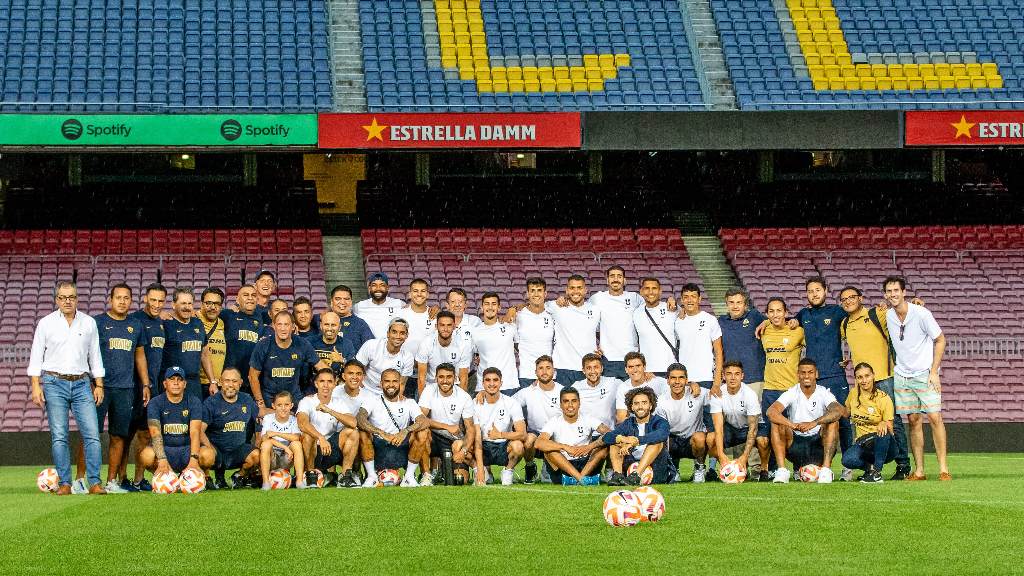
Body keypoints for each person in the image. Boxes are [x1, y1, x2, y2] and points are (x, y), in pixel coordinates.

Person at [28, 281, 107, 495]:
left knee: (92, 434)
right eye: (63, 297)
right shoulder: (45, 323)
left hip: (82, 383)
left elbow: (95, 356)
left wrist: (99, 384)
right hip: (54, 383)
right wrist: (36, 385)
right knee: (59, 435)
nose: (67, 301)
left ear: (77, 298)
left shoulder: (89, 322)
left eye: (71, 297)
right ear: (56, 300)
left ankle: (94, 482)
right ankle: (65, 483)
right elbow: (36, 355)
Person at [77, 283, 149, 494]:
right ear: (110, 299)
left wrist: (145, 383)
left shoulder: (135, 325)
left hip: (125, 389)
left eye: (126, 298)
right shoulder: (97, 322)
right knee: (90, 435)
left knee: (119, 436)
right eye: (118, 297)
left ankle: (111, 481)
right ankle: (81, 480)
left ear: (131, 301)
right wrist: (89, 380)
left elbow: (140, 355)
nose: (122, 301)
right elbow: (85, 352)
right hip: (100, 387)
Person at [838, 285, 911, 480]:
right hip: (861, 380)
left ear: (861, 298)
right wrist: (847, 360)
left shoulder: (876, 313)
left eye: (852, 297)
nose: (848, 301)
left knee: (893, 423)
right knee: (859, 421)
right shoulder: (844, 324)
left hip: (884, 377)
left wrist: (913, 305)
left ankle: (903, 465)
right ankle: (871, 467)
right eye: (844, 299)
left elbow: (901, 317)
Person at [884, 276, 949, 481]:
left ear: (904, 292)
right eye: (889, 291)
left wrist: (933, 371)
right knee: (913, 420)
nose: (893, 294)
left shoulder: (921, 313)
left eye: (896, 290)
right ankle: (919, 470)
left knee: (934, 417)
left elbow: (940, 340)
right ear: (885, 295)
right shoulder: (888, 315)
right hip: (902, 375)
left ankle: (943, 469)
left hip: (924, 373)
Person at [793, 276, 854, 477]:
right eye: (810, 291)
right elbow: (787, 322)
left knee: (843, 420)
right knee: (803, 420)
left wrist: (852, 354)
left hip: (834, 375)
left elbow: (857, 322)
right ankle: (800, 466)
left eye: (818, 290)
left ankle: (848, 466)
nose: (814, 294)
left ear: (826, 291)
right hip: (812, 379)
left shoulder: (836, 312)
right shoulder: (803, 314)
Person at [767, 359, 844, 484]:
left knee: (833, 422)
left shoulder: (823, 392)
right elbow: (771, 412)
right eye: (803, 373)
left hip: (818, 446)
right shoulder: (792, 392)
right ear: (798, 375)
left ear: (816, 374)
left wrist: (814, 423)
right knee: (777, 422)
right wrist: (792, 425)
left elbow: (838, 411)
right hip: (796, 445)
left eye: (810, 372)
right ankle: (782, 470)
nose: (806, 376)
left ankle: (825, 470)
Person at [717, 288, 767, 475]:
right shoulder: (721, 322)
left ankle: (756, 467)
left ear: (745, 304)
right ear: (726, 304)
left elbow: (774, 320)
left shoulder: (754, 316)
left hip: (755, 378)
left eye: (739, 302)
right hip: (731, 379)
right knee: (735, 422)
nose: (735, 306)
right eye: (731, 302)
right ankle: (740, 466)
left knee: (753, 423)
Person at [124, 282, 168, 491]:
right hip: (133, 387)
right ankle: (119, 477)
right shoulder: (134, 321)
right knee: (125, 434)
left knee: (144, 435)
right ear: (145, 299)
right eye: (153, 300)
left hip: (152, 388)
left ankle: (138, 479)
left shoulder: (161, 323)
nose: (157, 304)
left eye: (161, 301)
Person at [356, 369, 431, 487]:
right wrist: (380, 432)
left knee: (422, 432)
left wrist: (405, 431)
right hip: (378, 447)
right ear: (381, 384)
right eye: (387, 381)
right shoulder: (371, 400)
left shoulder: (409, 402)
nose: (391, 385)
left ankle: (409, 477)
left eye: (395, 381)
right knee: (362, 432)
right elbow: (360, 419)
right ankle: (372, 477)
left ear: (400, 383)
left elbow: (424, 421)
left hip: (401, 445)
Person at [140, 366, 215, 479]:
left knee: (209, 455)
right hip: (166, 448)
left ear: (184, 384)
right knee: (146, 455)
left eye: (179, 380)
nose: (176, 383)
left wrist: (194, 459)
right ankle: (164, 476)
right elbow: (155, 433)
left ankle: (195, 474)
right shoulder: (155, 403)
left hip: (187, 449)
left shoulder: (194, 401)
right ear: (165, 384)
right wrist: (162, 459)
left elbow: (195, 432)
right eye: (172, 379)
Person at [759, 296, 805, 478]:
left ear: (786, 313)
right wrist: (764, 322)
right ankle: (773, 469)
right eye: (771, 311)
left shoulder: (798, 331)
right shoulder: (764, 330)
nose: (775, 314)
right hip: (770, 389)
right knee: (772, 432)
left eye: (779, 310)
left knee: (792, 431)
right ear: (767, 314)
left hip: (791, 390)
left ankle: (796, 467)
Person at [674, 283, 723, 444]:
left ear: (699, 299)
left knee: (711, 425)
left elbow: (719, 352)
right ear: (681, 299)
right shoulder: (677, 320)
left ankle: (712, 467)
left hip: (707, 379)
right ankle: (695, 464)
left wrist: (716, 382)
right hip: (685, 381)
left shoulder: (710, 320)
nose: (689, 300)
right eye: (686, 297)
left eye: (693, 296)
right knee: (688, 425)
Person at [249, 311, 327, 412]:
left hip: (294, 398)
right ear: (274, 326)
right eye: (279, 324)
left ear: (293, 327)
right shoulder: (263, 345)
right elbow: (252, 376)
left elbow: (321, 367)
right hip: (270, 399)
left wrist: (334, 383)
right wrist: (261, 404)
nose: (283, 328)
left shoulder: (302, 344)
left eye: (286, 324)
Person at [297, 368, 359, 487]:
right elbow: (302, 423)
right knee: (307, 436)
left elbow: (353, 423)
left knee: (353, 432)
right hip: (312, 450)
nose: (326, 385)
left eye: (330, 381)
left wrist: (329, 410)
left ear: (335, 383)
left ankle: (345, 476)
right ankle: (310, 476)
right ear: (316, 384)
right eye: (322, 381)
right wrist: (320, 437)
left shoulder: (339, 402)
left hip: (330, 449)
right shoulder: (307, 401)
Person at [535, 387, 610, 485]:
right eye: (566, 401)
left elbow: (610, 434)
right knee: (549, 451)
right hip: (564, 467)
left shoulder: (589, 419)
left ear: (579, 403)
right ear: (561, 405)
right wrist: (565, 447)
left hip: (587, 465)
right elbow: (538, 443)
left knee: (603, 447)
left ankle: (580, 478)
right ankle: (582, 480)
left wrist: (590, 446)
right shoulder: (554, 421)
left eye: (574, 401)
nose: (570, 405)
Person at [200, 367, 260, 489]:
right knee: (206, 455)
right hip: (217, 451)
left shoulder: (247, 400)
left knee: (258, 455)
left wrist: (283, 412)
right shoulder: (210, 403)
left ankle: (238, 476)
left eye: (234, 381)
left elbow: (260, 416)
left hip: (238, 451)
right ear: (220, 382)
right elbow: (199, 431)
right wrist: (210, 448)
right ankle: (211, 478)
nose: (230, 385)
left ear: (240, 383)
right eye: (227, 381)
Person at [419, 363, 476, 485]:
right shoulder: (428, 390)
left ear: (455, 378)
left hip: (453, 441)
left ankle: (444, 469)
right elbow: (421, 420)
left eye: (449, 377)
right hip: (433, 437)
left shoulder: (464, 397)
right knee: (421, 432)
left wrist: (463, 451)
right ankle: (426, 474)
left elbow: (470, 429)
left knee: (461, 480)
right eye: (441, 377)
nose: (445, 381)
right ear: (436, 378)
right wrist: (446, 426)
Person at [840, 363, 898, 483]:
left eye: (867, 376)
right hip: (863, 443)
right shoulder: (853, 394)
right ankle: (870, 470)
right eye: (860, 377)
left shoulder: (883, 398)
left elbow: (891, 430)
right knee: (847, 460)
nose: (864, 380)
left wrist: (884, 423)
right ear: (856, 379)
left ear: (873, 376)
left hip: (885, 445)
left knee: (884, 430)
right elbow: (845, 413)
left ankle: (876, 473)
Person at [708, 361, 764, 479]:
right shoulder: (718, 394)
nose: (733, 378)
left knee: (763, 440)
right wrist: (721, 454)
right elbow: (718, 429)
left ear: (742, 376)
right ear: (723, 376)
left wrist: (744, 457)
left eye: (737, 374)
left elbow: (753, 429)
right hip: (731, 429)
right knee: (710, 438)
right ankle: (727, 466)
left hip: (747, 428)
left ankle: (763, 470)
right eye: (729, 374)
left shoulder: (750, 394)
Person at [604, 386, 671, 486]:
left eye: (644, 403)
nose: (640, 407)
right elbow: (607, 437)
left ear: (651, 406)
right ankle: (617, 476)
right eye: (636, 403)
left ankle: (636, 476)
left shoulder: (660, 421)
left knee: (657, 442)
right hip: (631, 465)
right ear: (631, 407)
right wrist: (623, 440)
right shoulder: (628, 423)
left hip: (656, 468)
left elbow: (662, 434)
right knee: (615, 443)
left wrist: (636, 441)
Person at [512, 355, 564, 483]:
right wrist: (483, 393)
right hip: (535, 434)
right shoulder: (528, 391)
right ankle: (530, 467)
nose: (544, 371)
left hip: (556, 436)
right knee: (528, 439)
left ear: (554, 371)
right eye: (540, 368)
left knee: (550, 481)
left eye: (548, 368)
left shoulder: (562, 390)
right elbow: (507, 403)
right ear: (535, 372)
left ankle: (550, 467)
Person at [472, 367, 527, 486]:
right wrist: (480, 468)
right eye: (488, 380)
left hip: (503, 446)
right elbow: (476, 438)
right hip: (483, 446)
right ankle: (483, 472)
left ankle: (508, 471)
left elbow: (523, 434)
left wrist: (500, 434)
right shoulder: (475, 404)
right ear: (482, 383)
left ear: (501, 383)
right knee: (462, 446)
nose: (492, 384)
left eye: (495, 380)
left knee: (518, 446)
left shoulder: (511, 403)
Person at [656, 363, 709, 482]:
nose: (677, 381)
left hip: (693, 441)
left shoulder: (698, 393)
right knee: (661, 438)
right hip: (673, 441)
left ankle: (699, 468)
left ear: (687, 380)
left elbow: (719, 397)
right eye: (673, 378)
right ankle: (673, 468)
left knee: (700, 437)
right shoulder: (661, 402)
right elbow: (661, 430)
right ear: (668, 380)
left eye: (681, 377)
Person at [587, 265, 641, 379]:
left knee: (632, 396)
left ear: (625, 280)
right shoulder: (597, 298)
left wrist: (671, 301)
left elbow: (651, 309)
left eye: (619, 276)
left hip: (631, 359)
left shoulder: (635, 298)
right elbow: (583, 320)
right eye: (612, 276)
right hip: (607, 359)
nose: (615, 279)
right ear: (607, 280)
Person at [162, 288, 215, 400]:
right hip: (174, 383)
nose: (187, 307)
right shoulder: (166, 324)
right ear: (173, 305)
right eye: (183, 303)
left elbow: (205, 354)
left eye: (189, 303)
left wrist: (212, 381)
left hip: (194, 383)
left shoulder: (198, 323)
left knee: (196, 416)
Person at [546, 274, 600, 386]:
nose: (576, 291)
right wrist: (513, 309)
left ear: (585, 290)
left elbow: (604, 332)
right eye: (572, 288)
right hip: (562, 368)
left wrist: (602, 348)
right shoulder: (556, 306)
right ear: (566, 290)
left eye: (579, 288)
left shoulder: (595, 310)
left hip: (587, 369)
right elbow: (533, 305)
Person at [331, 359, 376, 485]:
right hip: (336, 439)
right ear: (344, 376)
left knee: (360, 433)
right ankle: (332, 473)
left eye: (359, 374)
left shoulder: (369, 396)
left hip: (359, 439)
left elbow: (368, 424)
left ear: (363, 376)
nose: (355, 377)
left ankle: (364, 474)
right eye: (351, 373)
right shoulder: (333, 393)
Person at [258, 390, 308, 489]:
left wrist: (276, 433)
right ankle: (266, 483)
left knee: (296, 444)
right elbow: (264, 438)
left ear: (291, 405)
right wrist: (285, 447)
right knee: (266, 444)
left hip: (287, 458)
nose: (283, 408)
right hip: (272, 458)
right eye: (279, 405)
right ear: (273, 406)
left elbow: (296, 437)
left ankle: (299, 481)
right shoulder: (268, 418)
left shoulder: (294, 420)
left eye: (286, 404)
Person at [219, 285, 265, 393]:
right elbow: (204, 316)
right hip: (230, 380)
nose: (250, 298)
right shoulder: (228, 314)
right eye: (245, 295)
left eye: (253, 295)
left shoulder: (261, 317)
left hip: (251, 380)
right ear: (237, 299)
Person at [473, 292, 519, 395]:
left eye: (493, 304)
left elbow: (521, 349)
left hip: (508, 385)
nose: (490, 307)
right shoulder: (475, 331)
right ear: (481, 307)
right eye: (487, 304)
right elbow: (473, 355)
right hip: (484, 386)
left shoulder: (510, 327)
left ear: (499, 308)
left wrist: (514, 308)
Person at [415, 310, 472, 395]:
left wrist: (460, 402)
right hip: (431, 385)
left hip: (454, 385)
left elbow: (463, 379)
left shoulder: (463, 345)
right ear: (436, 326)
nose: (445, 329)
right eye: (442, 325)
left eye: (449, 325)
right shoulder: (426, 343)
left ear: (454, 326)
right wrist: (423, 402)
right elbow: (421, 378)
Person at [513, 277, 555, 388]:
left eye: (539, 290)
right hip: (526, 375)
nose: (536, 294)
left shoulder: (552, 315)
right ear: (527, 294)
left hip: (550, 375)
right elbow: (515, 344)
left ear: (545, 294)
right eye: (532, 290)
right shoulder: (518, 316)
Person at [355, 317, 415, 395]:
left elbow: (401, 384)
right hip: (365, 389)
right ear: (388, 334)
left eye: (402, 333)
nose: (398, 336)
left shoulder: (408, 357)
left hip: (389, 394)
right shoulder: (371, 345)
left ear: (406, 336)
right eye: (394, 332)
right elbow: (356, 371)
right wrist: (361, 392)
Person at [633, 277, 678, 376]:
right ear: (641, 291)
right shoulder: (636, 313)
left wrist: (674, 301)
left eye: (654, 288)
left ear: (660, 291)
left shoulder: (672, 308)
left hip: (671, 370)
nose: (651, 292)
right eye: (647, 288)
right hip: (647, 372)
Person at [316, 284, 374, 353]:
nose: (342, 302)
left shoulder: (360, 324)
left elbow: (372, 350)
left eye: (346, 299)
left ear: (351, 302)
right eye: (338, 299)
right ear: (331, 302)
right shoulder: (319, 320)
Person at [308, 311, 356, 390]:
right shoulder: (309, 342)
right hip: (313, 389)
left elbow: (353, 369)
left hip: (337, 389)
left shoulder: (347, 344)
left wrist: (342, 360)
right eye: (326, 324)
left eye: (333, 325)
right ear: (321, 326)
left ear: (339, 327)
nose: (329, 328)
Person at [615, 352, 668, 423]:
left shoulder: (658, 382)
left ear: (644, 367)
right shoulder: (623, 387)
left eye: (638, 366)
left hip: (657, 424)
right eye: (631, 367)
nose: (635, 370)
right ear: (626, 369)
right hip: (635, 427)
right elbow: (621, 418)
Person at [572, 353, 620, 428]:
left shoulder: (613, 383)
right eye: (588, 368)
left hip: (608, 433)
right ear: (583, 370)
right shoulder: (576, 388)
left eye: (596, 367)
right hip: (585, 434)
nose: (592, 371)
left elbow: (631, 386)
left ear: (602, 368)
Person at [354, 272, 405, 338]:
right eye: (374, 285)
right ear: (369, 288)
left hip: (391, 347)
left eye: (382, 285)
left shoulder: (400, 304)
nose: (378, 288)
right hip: (368, 346)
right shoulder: (358, 307)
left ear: (387, 288)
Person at [197, 288, 226, 394]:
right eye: (208, 303)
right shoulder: (192, 319)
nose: (213, 307)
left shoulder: (222, 323)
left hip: (217, 384)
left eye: (217, 304)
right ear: (201, 304)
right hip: (197, 383)